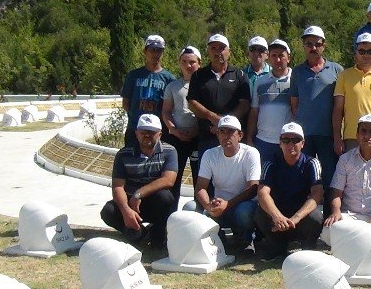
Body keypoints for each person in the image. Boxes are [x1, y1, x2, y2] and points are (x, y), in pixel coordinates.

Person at [101, 114, 178, 249]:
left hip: (153, 202)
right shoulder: (123, 154)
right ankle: (138, 232)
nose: (147, 135)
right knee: (108, 211)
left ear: (160, 134)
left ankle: (157, 233)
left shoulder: (169, 151)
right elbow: (118, 187)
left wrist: (139, 194)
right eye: (143, 131)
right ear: (136, 134)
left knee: (165, 198)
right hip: (130, 203)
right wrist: (126, 211)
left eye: (151, 132)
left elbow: (168, 180)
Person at [324, 115, 371, 247]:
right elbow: (336, 191)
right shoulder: (345, 159)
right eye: (363, 131)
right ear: (357, 135)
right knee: (327, 233)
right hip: (350, 216)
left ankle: (360, 245)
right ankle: (366, 245)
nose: (367, 136)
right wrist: (336, 211)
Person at [253, 122, 324, 261]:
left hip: (300, 217)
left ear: (302, 143)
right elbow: (262, 193)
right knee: (260, 213)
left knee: (316, 217)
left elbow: (317, 193)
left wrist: (296, 218)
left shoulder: (311, 163)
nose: (290, 144)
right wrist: (277, 216)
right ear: (280, 143)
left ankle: (308, 247)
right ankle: (276, 246)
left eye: (295, 140)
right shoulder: (271, 162)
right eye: (285, 140)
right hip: (278, 218)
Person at [187, 33, 250, 180]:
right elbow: (192, 102)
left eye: (222, 48)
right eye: (213, 48)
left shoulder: (240, 75)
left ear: (229, 51)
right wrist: (213, 118)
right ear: (208, 51)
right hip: (207, 135)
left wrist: (225, 125)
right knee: (206, 179)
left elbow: (245, 103)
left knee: (233, 178)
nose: (218, 51)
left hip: (233, 138)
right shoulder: (198, 76)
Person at [290, 26, 343, 193]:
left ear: (324, 45)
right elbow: (294, 103)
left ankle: (330, 214)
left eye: (317, 44)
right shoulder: (297, 72)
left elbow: (341, 105)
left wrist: (337, 136)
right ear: (304, 46)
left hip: (328, 134)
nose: (313, 48)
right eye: (309, 44)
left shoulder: (337, 70)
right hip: (305, 136)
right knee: (304, 176)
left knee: (329, 177)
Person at [193, 115, 261, 246]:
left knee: (245, 212)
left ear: (240, 135)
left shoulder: (251, 153)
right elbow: (200, 187)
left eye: (230, 132)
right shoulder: (209, 154)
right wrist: (208, 205)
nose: (225, 136)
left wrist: (228, 204)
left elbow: (253, 189)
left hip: (241, 205)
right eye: (222, 131)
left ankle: (246, 239)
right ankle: (216, 237)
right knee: (190, 207)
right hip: (218, 207)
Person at [332, 33, 371, 156]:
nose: (366, 55)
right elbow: (338, 110)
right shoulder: (344, 76)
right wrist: (337, 138)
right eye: (362, 51)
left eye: (370, 52)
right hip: (352, 137)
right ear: (356, 53)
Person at [161, 45, 201, 210]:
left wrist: (197, 130)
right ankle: (170, 215)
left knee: (200, 178)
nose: (188, 65)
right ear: (179, 63)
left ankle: (200, 213)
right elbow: (166, 111)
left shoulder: (205, 85)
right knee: (173, 179)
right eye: (184, 61)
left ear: (199, 63)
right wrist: (173, 130)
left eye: (192, 62)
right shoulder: (172, 86)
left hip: (198, 138)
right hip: (176, 139)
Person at [121, 34, 176, 148]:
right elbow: (126, 102)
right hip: (135, 128)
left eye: (159, 50)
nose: (156, 54)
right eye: (152, 50)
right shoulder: (133, 75)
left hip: (158, 130)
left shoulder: (169, 79)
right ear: (145, 51)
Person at [247, 39, 293, 167]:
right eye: (274, 55)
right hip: (263, 141)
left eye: (281, 56)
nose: (277, 60)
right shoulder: (260, 82)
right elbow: (254, 111)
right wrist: (250, 137)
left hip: (288, 142)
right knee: (262, 182)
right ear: (269, 58)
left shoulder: (295, 80)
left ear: (288, 58)